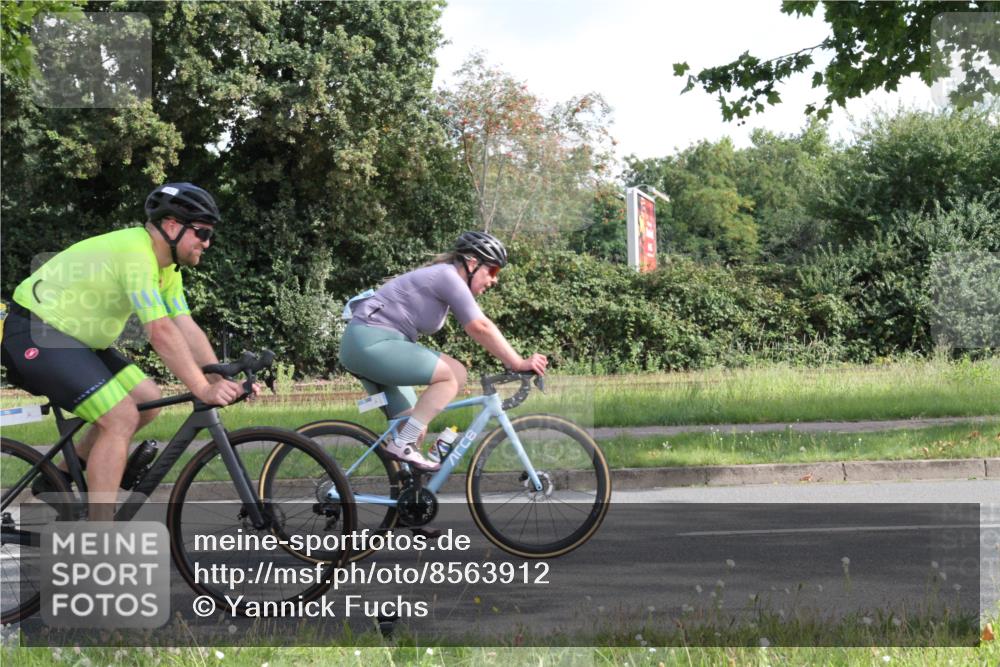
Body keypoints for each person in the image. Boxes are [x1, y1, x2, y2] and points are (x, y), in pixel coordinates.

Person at [1, 183, 247, 520]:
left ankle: (56, 479)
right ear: (172, 227)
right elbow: (160, 332)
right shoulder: (136, 253)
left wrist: (220, 376)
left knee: (146, 400)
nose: (207, 243)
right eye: (202, 233)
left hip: (80, 341)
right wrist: (202, 388)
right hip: (35, 333)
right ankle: (101, 538)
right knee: (120, 417)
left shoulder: (167, 268)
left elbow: (184, 326)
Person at [339, 231, 548, 471]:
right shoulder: (447, 276)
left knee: (413, 425)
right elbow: (479, 326)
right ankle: (403, 444)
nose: (494, 280)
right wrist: (518, 362)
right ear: (472, 263)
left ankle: (408, 499)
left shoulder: (443, 279)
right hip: (371, 342)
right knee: (454, 373)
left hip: (369, 344)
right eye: (492, 271)